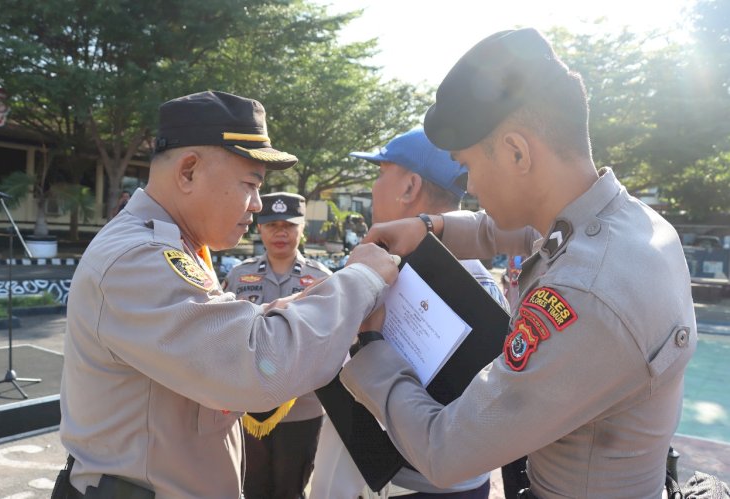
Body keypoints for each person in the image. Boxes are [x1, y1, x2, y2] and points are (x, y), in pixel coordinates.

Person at [341, 28, 696, 498]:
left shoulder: (586, 291)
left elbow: (446, 451)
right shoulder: (624, 222)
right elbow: (509, 228)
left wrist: (369, 345)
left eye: (467, 167)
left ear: (516, 152)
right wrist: (430, 227)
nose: (469, 187)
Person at [54, 90, 398, 497]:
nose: (256, 206)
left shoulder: (172, 245)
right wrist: (362, 278)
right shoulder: (137, 258)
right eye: (251, 184)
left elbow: (211, 335)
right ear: (188, 172)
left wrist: (279, 310)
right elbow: (255, 364)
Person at [309, 127, 510, 499]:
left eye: (380, 172)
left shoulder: (421, 280)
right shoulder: (474, 282)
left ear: (409, 187)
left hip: (410, 486)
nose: (373, 187)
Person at [223, 192, 331, 499]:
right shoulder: (238, 276)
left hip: (303, 405)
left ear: (302, 228)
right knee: (250, 488)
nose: (280, 232)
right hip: (249, 404)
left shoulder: (321, 279)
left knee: (290, 490)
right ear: (259, 228)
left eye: (288, 225)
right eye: (272, 225)